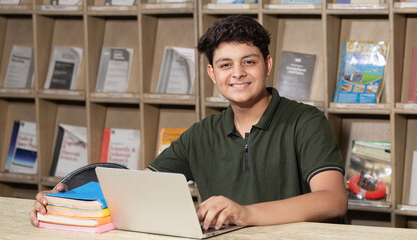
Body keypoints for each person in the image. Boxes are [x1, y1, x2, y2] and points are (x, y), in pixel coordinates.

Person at [30, 15, 347, 231]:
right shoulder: (201, 134)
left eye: (248, 61)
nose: (237, 73)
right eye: (225, 65)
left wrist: (246, 214)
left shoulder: (306, 122)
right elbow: (138, 189)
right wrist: (65, 202)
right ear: (212, 74)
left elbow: (333, 200)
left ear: (267, 64)